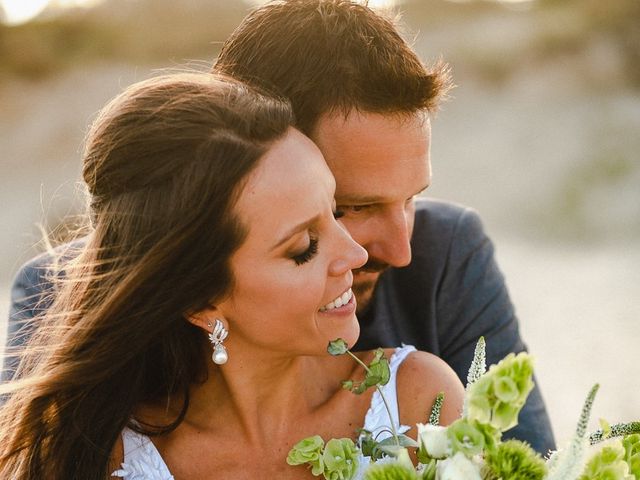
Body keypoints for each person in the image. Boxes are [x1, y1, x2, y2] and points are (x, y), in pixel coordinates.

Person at [4, 0, 555, 453]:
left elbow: (528, 461)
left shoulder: (446, 253)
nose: (398, 249)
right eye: (350, 208)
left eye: (410, 199)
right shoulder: (62, 296)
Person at [0, 73, 465, 479]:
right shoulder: (99, 457)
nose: (355, 252)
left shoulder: (418, 403)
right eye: (304, 247)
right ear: (201, 299)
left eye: (336, 212)